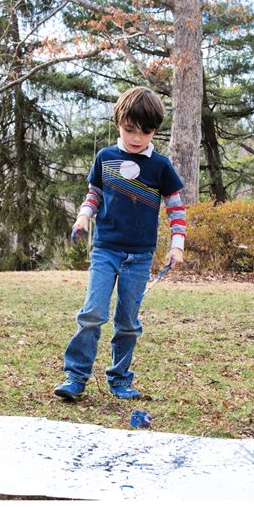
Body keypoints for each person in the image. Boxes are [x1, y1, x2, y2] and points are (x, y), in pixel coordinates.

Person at [54, 86, 186, 401]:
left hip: (139, 257)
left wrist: (177, 243)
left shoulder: (161, 166)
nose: (137, 137)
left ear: (156, 130)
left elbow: (176, 208)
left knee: (127, 321)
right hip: (105, 250)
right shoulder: (106, 157)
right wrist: (83, 216)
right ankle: (76, 377)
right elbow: (94, 195)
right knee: (93, 313)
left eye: (146, 131)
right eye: (130, 129)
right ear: (119, 123)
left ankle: (120, 379)